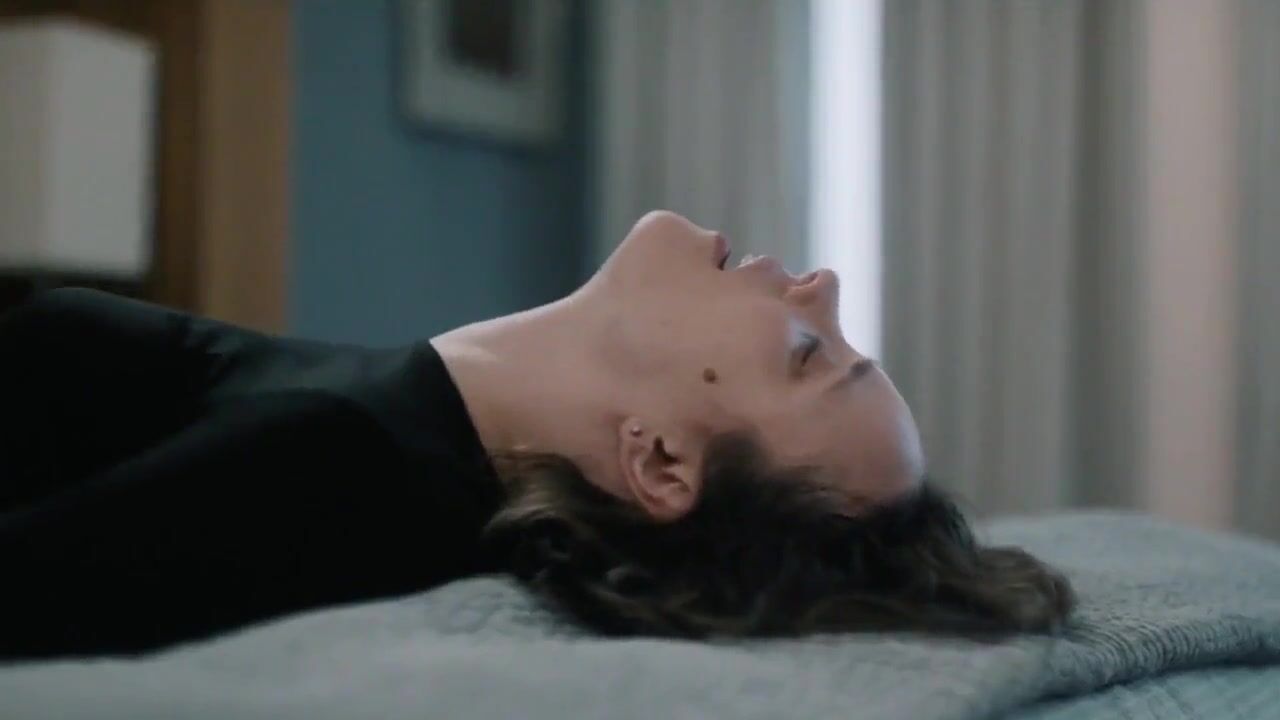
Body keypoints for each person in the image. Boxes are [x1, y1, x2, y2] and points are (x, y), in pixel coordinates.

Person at [0, 210, 1074, 659]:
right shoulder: (380, 438)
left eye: (805, 354)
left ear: (659, 460)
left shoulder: (329, 471)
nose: (824, 286)